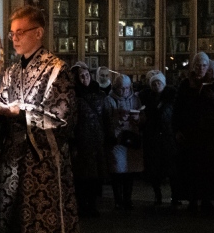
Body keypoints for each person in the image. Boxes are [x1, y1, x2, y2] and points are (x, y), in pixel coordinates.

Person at [0, 5, 86, 233]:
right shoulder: (11, 72)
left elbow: (63, 120)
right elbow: (0, 106)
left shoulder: (57, 70)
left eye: (20, 32)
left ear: (38, 33)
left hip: (42, 171)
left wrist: (21, 114)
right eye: (12, 33)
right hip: (11, 167)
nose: (14, 38)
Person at [172, 52, 214, 213]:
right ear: (193, 67)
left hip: (209, 134)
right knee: (191, 168)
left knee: (208, 168)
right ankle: (193, 199)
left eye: (204, 65)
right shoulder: (185, 85)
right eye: (198, 65)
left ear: (208, 67)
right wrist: (177, 130)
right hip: (191, 133)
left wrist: (213, 97)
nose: (201, 68)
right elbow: (178, 109)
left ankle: (207, 199)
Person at [71, 62, 106, 216]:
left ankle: (92, 204)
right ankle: (82, 205)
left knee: (95, 176)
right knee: (82, 176)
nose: (85, 78)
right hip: (81, 141)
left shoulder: (98, 92)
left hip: (97, 139)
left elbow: (105, 116)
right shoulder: (73, 95)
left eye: (87, 75)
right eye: (81, 76)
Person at [103, 73, 142, 210]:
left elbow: (142, 117)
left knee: (129, 171)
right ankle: (118, 199)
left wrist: (137, 119)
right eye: (121, 88)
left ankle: (128, 199)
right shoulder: (109, 100)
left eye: (127, 88)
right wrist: (118, 120)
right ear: (115, 87)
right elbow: (106, 121)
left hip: (131, 138)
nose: (124, 91)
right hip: (117, 139)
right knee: (117, 171)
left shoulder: (135, 99)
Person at [141, 71, 177, 205]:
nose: (157, 85)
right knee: (154, 168)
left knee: (171, 168)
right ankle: (158, 194)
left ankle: (175, 195)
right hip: (153, 136)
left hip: (168, 135)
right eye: (154, 83)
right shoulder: (147, 98)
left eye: (159, 83)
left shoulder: (171, 97)